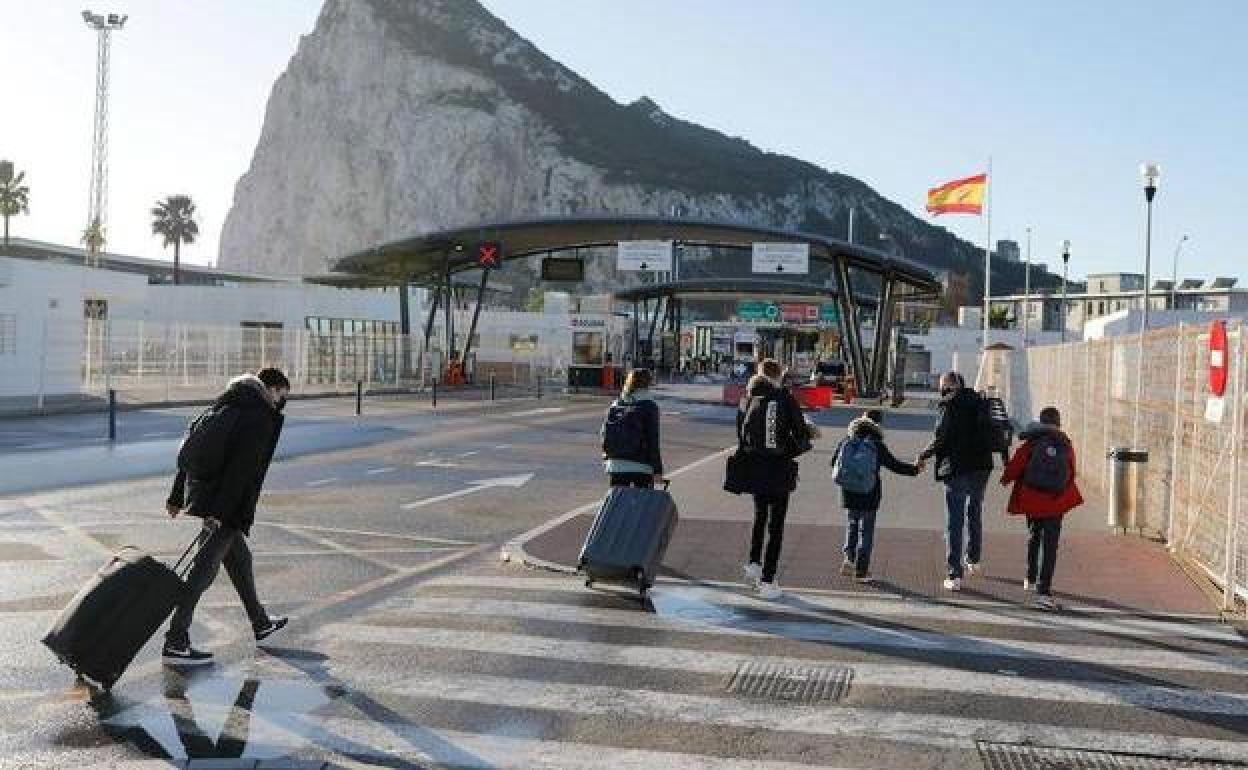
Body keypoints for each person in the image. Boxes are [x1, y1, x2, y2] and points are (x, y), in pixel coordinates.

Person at [163, 368, 291, 665]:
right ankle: (176, 641)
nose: (281, 403)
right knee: (202, 572)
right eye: (282, 396)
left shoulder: (222, 404)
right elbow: (241, 472)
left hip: (209, 497)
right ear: (271, 389)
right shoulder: (257, 416)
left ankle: (260, 622)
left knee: (240, 560)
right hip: (226, 506)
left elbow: (188, 453)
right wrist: (219, 514)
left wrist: (175, 496)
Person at [736, 358, 812, 599]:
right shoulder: (784, 399)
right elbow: (799, 433)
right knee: (776, 526)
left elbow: (740, 433)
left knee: (759, 517)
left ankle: (753, 564)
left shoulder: (747, 399)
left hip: (755, 467)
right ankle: (768, 581)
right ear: (779, 375)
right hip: (779, 468)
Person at [1000, 407, 1084, 610]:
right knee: (1050, 546)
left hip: (1033, 499)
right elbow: (1072, 471)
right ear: (1058, 423)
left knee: (1034, 534)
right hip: (1056, 501)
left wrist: (1005, 479)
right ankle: (1044, 589)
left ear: (1040, 422)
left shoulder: (1032, 442)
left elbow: (1016, 465)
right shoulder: (1065, 445)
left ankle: (1030, 576)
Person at [918, 371, 995, 592]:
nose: (941, 390)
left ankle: (954, 574)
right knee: (975, 509)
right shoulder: (980, 401)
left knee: (954, 521)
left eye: (943, 386)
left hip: (957, 466)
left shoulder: (948, 405)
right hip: (982, 465)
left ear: (950, 386)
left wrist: (923, 455)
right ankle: (973, 560)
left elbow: (939, 437)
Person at [831, 409, 923, 582]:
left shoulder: (847, 440)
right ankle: (861, 571)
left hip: (848, 492)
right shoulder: (876, 444)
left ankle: (849, 559)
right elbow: (895, 465)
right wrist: (915, 469)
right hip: (869, 493)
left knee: (852, 525)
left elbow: (833, 463)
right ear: (878, 425)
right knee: (866, 531)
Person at [601, 368, 663, 489]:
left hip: (616, 465)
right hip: (642, 467)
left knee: (618, 505)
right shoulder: (649, 406)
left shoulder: (616, 404)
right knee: (641, 505)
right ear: (648, 384)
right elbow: (653, 441)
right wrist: (657, 471)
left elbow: (605, 434)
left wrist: (607, 459)